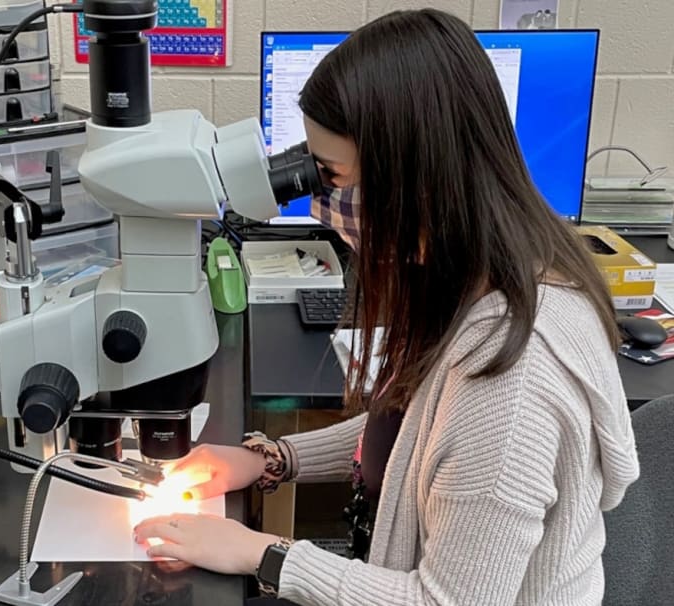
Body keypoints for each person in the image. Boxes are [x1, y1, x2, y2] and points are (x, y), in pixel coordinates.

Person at [133, 8, 639, 605]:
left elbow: (444, 601)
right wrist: (271, 458)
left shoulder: (511, 387)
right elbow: (413, 434)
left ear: (419, 183)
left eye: (333, 175)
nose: (322, 202)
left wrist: (260, 554)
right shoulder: (486, 273)